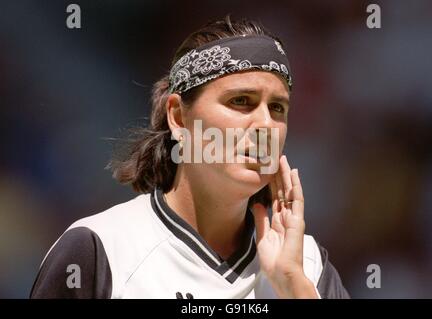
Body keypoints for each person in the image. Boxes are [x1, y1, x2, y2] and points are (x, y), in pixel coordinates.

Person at [30, 16, 349, 299]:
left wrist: (294, 286)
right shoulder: (100, 250)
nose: (266, 124)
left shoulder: (307, 263)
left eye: (277, 107)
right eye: (241, 101)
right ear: (178, 118)